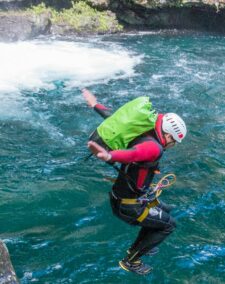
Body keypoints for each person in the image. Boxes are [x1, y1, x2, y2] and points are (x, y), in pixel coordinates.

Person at [82, 88, 187, 275]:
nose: (173, 146)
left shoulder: (142, 130)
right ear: (169, 135)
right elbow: (135, 154)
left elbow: (115, 119)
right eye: (174, 142)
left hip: (123, 196)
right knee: (169, 225)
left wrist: (95, 105)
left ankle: (145, 244)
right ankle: (132, 259)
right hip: (129, 207)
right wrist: (109, 156)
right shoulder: (154, 147)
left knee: (165, 210)